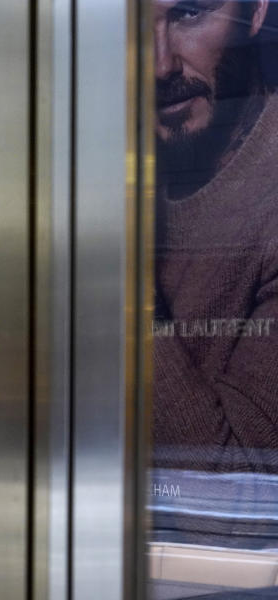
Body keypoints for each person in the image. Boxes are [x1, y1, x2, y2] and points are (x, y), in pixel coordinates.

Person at [151, 0, 278, 541]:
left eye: (188, 15)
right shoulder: (95, 157)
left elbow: (235, 506)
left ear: (256, 14)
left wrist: (105, 274)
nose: (159, 65)